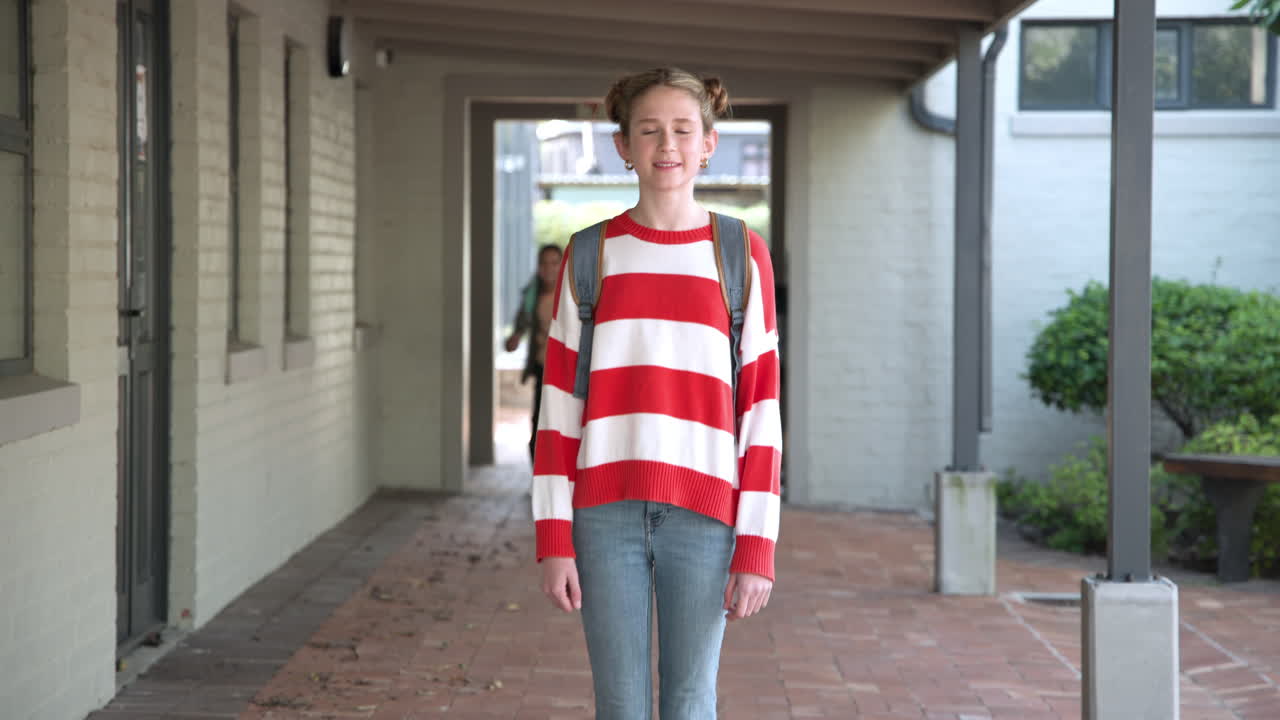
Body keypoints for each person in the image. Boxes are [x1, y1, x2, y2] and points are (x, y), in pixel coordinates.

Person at [531, 68, 782, 719]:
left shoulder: (740, 254)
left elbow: (762, 413)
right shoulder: (592, 256)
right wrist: (554, 537)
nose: (665, 144)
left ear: (708, 143)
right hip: (603, 518)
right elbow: (557, 410)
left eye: (681, 129)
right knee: (619, 704)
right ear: (623, 145)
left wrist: (757, 546)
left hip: (706, 516)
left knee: (691, 699)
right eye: (648, 130)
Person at [505, 243, 565, 463]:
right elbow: (521, 326)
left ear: (562, 265)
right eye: (544, 263)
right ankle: (539, 479)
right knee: (539, 424)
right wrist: (515, 338)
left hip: (568, 368)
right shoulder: (533, 294)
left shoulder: (572, 292)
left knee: (566, 425)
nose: (549, 268)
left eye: (554, 263)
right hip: (543, 368)